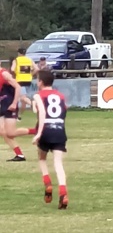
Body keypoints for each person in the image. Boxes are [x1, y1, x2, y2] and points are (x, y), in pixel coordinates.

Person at [31, 69, 69, 209]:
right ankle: (63, 192)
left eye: (37, 79)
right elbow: (64, 110)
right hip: (59, 130)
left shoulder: (38, 95)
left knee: (42, 158)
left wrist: (39, 133)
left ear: (40, 82)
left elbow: (42, 113)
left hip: (46, 130)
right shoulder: (60, 95)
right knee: (58, 163)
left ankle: (47, 183)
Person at [1, 64, 33, 161]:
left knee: (10, 133)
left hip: (10, 105)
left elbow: (18, 87)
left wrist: (14, 103)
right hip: (3, 105)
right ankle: (19, 155)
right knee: (2, 131)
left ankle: (38, 131)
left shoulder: (4, 74)